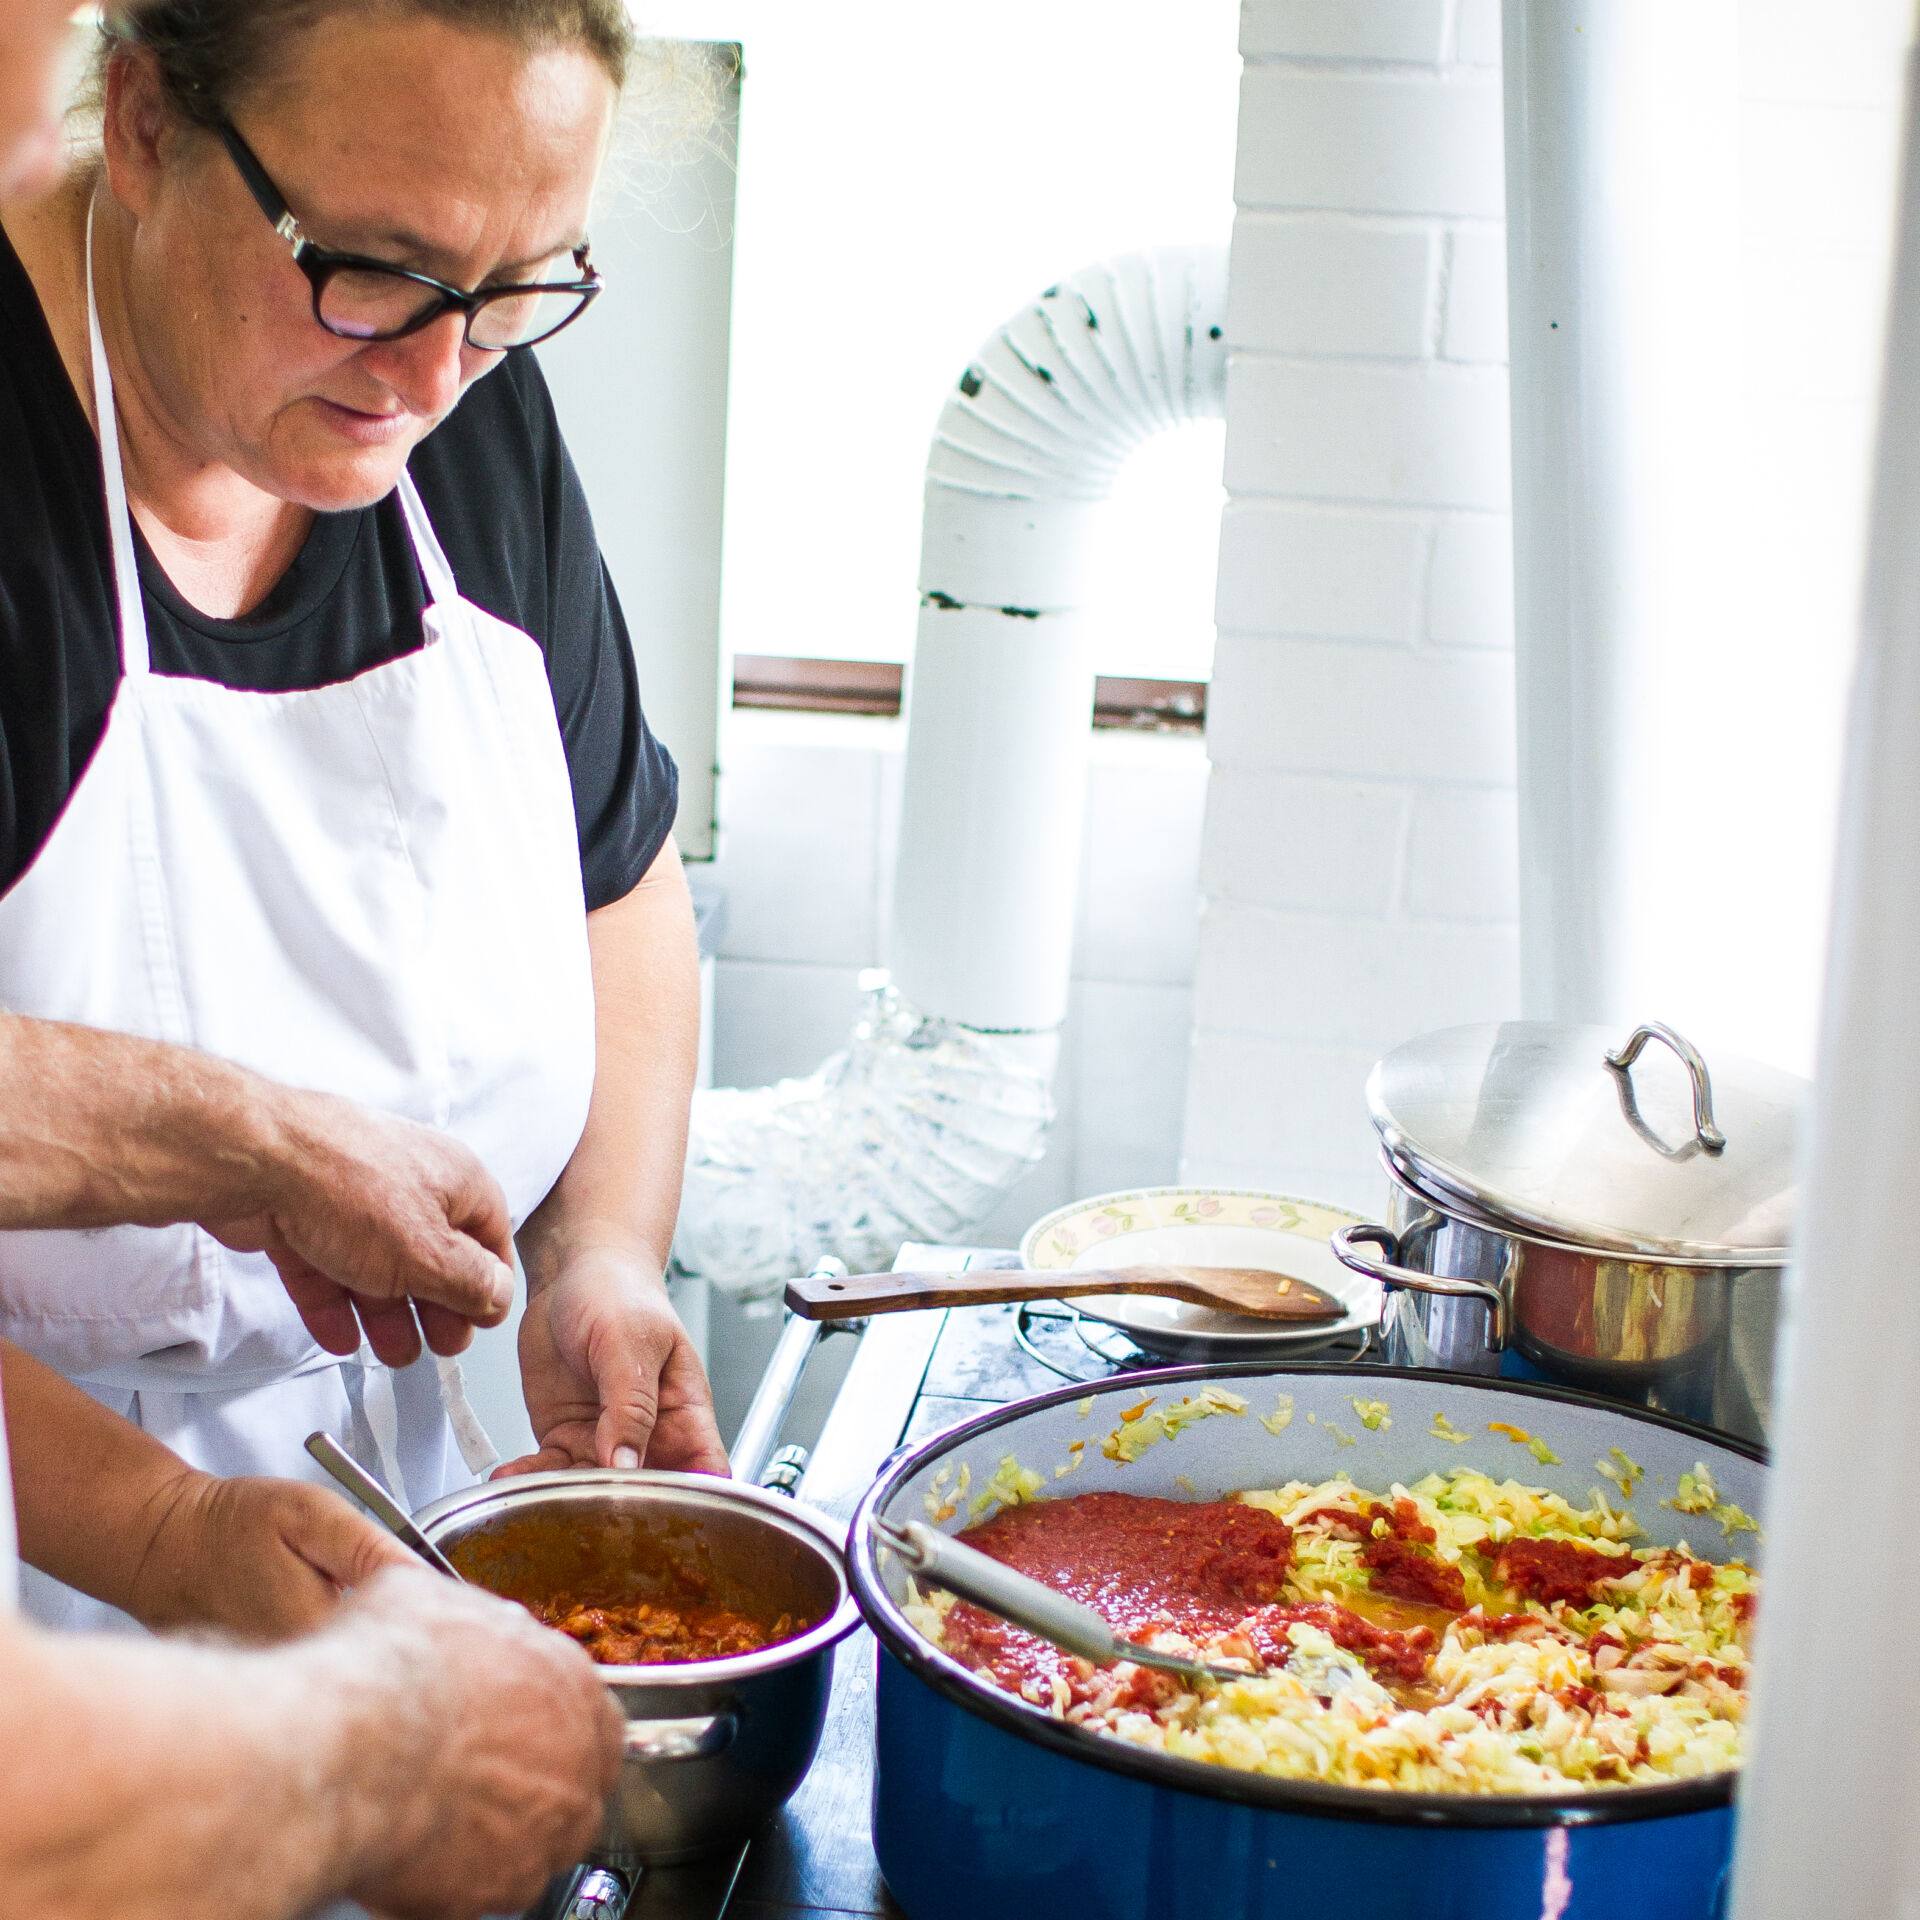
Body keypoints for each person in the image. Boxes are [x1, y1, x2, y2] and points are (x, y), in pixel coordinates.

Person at [0, 0, 728, 1630]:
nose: (433, 375)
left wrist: (599, 1255)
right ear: (138, 124)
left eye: (519, 287)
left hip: (377, 1523)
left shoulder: (461, 414)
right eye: (374, 268)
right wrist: (162, 1528)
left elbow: (617, 881)